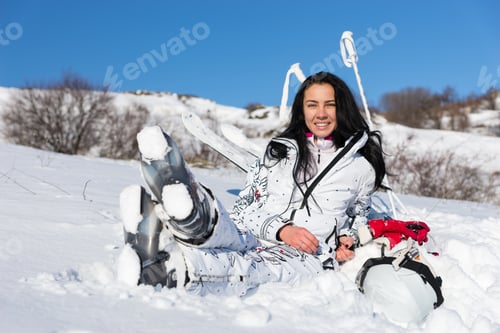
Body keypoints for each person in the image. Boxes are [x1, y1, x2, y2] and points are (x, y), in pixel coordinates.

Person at [118, 71, 429, 296]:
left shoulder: (362, 168)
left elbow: (358, 214)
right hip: (257, 231)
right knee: (230, 233)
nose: (320, 114)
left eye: (329, 104)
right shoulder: (278, 151)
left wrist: (347, 241)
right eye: (312, 105)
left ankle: (171, 263)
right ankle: (189, 214)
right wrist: (281, 229)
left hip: (307, 254)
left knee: (250, 268)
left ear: (342, 108)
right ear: (302, 110)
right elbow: (244, 207)